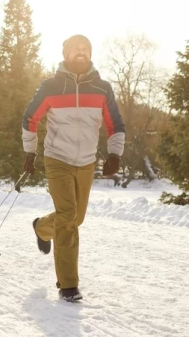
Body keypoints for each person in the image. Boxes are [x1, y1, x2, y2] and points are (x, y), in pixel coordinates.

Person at [21, 34, 125, 302]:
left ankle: (42, 227)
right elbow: (30, 118)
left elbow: (115, 124)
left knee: (76, 219)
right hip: (57, 158)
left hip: (86, 161)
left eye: (86, 49)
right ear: (66, 54)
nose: (81, 53)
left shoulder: (102, 88)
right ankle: (68, 285)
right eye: (76, 49)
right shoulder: (51, 86)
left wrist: (115, 153)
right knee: (68, 217)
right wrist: (30, 152)